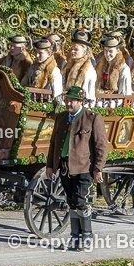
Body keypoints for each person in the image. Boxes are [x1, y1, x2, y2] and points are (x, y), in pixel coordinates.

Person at [45, 86, 108, 251]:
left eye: (71, 100)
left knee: (81, 202)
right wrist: (50, 166)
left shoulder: (92, 118)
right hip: (65, 166)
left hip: (84, 168)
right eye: (66, 100)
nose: (68, 103)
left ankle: (86, 237)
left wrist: (98, 168)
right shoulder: (61, 118)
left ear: (80, 101)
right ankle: (75, 238)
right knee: (71, 202)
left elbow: (101, 145)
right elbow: (53, 143)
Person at [62, 29, 97, 102]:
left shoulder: (89, 70)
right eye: (72, 49)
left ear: (85, 51)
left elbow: (89, 95)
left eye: (76, 49)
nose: (72, 51)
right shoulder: (67, 65)